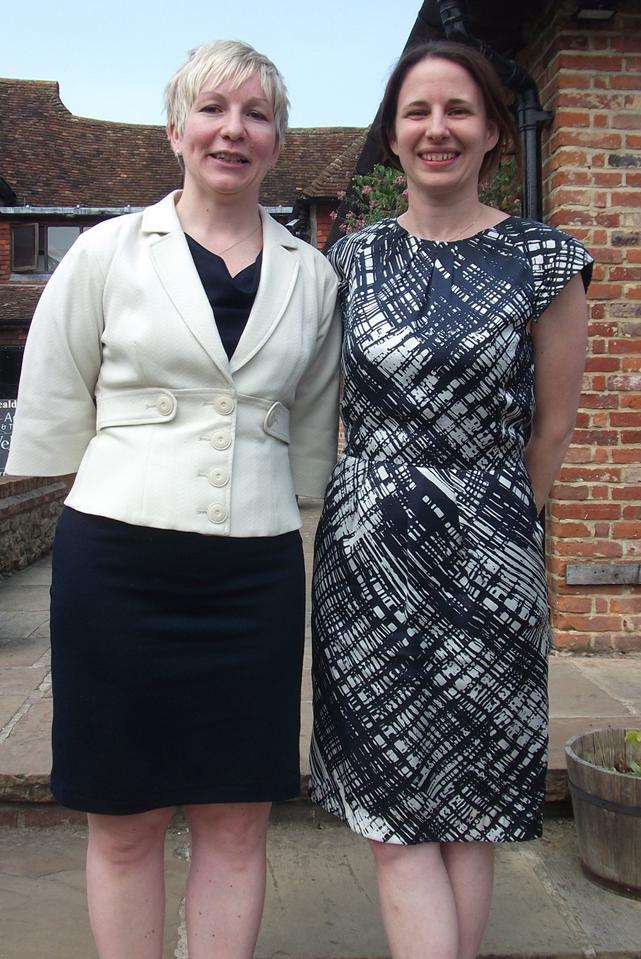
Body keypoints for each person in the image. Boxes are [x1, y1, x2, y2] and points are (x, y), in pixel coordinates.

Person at [6, 40, 340, 959]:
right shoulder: (109, 252)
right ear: (175, 128)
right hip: (118, 563)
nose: (234, 130)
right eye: (213, 109)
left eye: (257, 114)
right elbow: (54, 399)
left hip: (253, 571)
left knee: (237, 818)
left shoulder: (313, 279)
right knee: (123, 817)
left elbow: (310, 426)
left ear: (277, 140)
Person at [310, 39, 592, 959]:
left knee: (474, 808)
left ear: (492, 132)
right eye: (417, 112)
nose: (438, 129)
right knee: (395, 814)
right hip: (366, 565)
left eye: (458, 110)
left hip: (490, 556)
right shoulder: (347, 261)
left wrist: (496, 523)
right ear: (392, 137)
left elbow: (550, 429)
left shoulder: (543, 259)